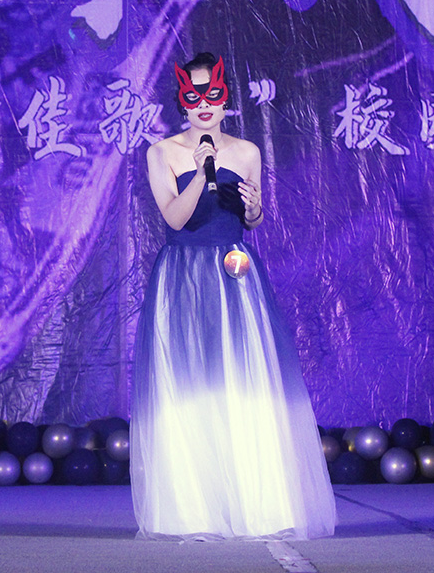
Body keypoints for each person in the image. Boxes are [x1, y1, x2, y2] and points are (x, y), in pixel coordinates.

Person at [130, 52, 336, 541]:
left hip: (235, 270)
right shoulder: (161, 153)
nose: (203, 104)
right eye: (193, 95)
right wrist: (203, 172)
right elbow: (174, 218)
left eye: (212, 94)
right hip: (182, 275)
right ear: (182, 101)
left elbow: (252, 220)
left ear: (225, 100)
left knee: (244, 377)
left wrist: (256, 207)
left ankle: (259, 506)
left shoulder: (246, 152)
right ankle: (191, 511)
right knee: (187, 382)